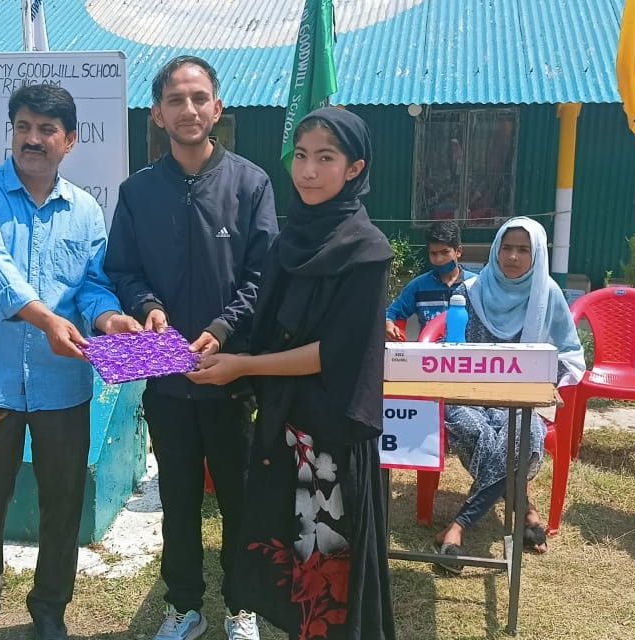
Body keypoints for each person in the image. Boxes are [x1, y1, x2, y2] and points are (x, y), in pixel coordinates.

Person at [0, 84, 141, 640]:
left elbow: (95, 287)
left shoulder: (86, 210)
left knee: (63, 504)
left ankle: (50, 607)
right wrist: (49, 320)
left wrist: (108, 322)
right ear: (12, 130)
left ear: (69, 140)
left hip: (63, 383)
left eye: (47, 130)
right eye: (24, 126)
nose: (33, 139)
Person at [188, 107, 396, 640]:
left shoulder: (367, 250)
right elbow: (266, 324)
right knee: (288, 560)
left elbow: (333, 354)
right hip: (283, 425)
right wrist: (218, 341)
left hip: (329, 432)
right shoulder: (288, 241)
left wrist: (244, 367)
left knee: (326, 564)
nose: (307, 171)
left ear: (355, 168)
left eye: (325, 158)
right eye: (301, 157)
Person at [105, 55, 278, 640]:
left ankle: (240, 604)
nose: (189, 110)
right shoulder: (136, 193)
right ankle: (184, 605)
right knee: (176, 497)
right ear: (157, 113)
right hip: (165, 376)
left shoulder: (251, 184)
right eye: (176, 100)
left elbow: (264, 275)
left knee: (237, 499)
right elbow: (123, 270)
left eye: (199, 98)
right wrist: (147, 306)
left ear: (217, 108)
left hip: (231, 375)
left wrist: (226, 326)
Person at [431, 217, 586, 572]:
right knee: (473, 430)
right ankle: (525, 507)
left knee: (526, 432)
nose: (513, 257)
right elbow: (454, 347)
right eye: (507, 247)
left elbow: (571, 355)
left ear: (537, 254)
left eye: (523, 249)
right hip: (469, 396)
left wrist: (543, 375)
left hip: (520, 398)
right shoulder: (471, 291)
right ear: (496, 249)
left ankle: (458, 527)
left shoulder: (547, 295)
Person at [384, 220, 476, 341]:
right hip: (428, 355)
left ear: (458, 251)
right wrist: (388, 324)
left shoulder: (474, 284)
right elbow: (392, 312)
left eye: (445, 252)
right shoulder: (418, 286)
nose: (439, 259)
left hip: (467, 356)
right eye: (433, 254)